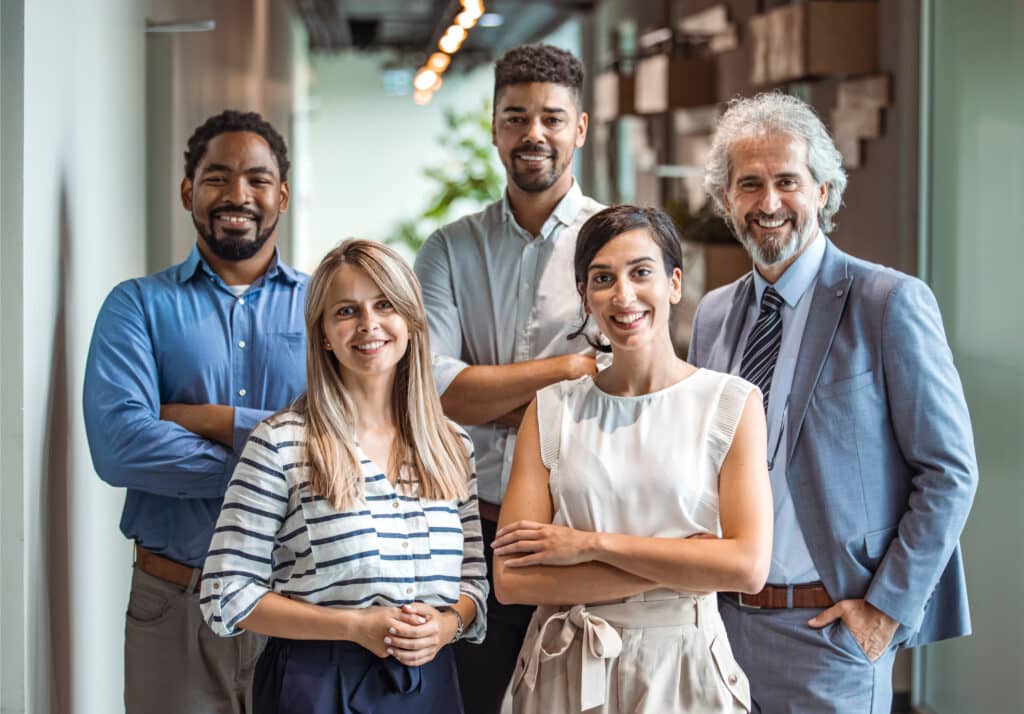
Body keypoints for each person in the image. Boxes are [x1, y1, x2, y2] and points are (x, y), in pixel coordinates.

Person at [689, 92, 978, 713]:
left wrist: (884, 611)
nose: (769, 204)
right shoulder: (712, 315)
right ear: (725, 201)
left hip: (829, 634)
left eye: (787, 182)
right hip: (718, 628)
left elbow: (949, 472)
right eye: (749, 185)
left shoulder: (888, 303)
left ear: (822, 191)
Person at [492, 205, 772, 713]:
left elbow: (748, 567)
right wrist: (689, 564)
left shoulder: (731, 404)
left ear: (674, 282)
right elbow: (513, 581)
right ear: (585, 296)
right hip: (567, 667)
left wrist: (588, 545)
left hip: (682, 668)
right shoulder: (552, 409)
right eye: (602, 278)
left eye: (641, 272)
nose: (623, 296)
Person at [200, 239, 487, 714]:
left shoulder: (451, 444)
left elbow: (473, 581)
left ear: (412, 322)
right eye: (347, 311)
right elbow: (226, 594)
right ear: (324, 334)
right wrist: (354, 626)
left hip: (432, 683)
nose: (368, 324)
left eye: (384, 305)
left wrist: (447, 625)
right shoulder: (281, 443)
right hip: (316, 684)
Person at [83, 110, 307, 713]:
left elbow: (356, 441)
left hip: (303, 604)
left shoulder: (327, 310)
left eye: (258, 179)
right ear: (189, 190)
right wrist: (286, 464)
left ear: (281, 195)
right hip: (175, 599)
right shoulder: (136, 307)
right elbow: (120, 445)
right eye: (218, 177)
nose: (238, 195)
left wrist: (205, 420)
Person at [413, 44, 606, 712]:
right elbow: (435, 390)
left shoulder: (614, 245)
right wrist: (568, 371)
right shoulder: (448, 249)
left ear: (579, 128)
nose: (534, 134)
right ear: (495, 127)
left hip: (581, 531)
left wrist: (487, 393)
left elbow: (619, 392)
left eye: (552, 118)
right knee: (475, 701)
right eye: (516, 116)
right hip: (472, 532)